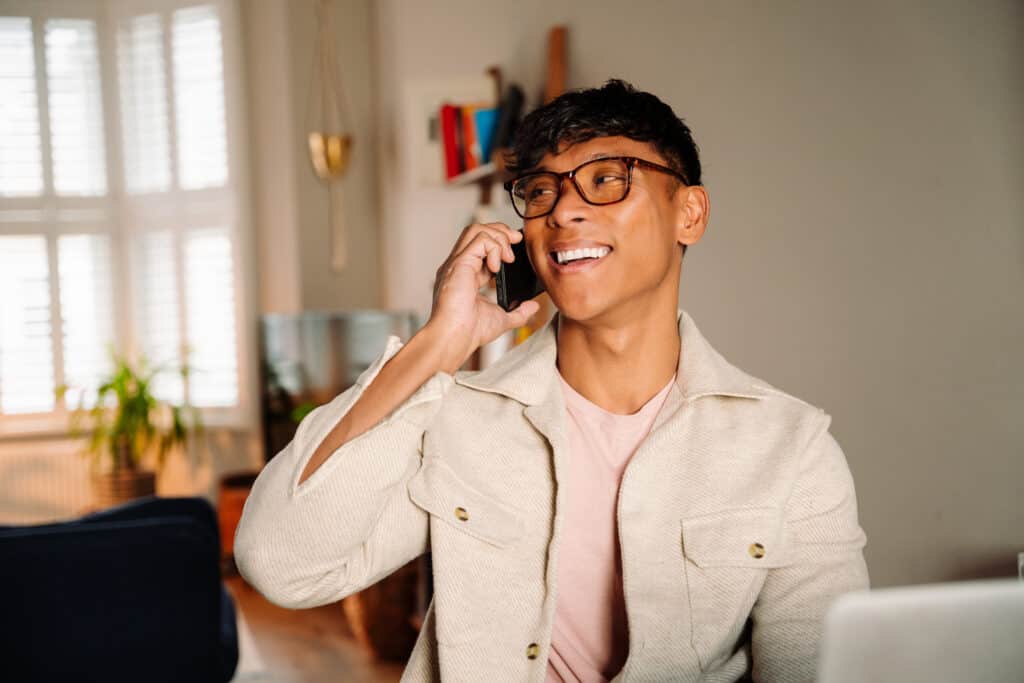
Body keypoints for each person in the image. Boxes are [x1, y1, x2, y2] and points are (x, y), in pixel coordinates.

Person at [235, 79, 869, 682]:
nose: (563, 210)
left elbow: (815, 667)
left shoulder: (792, 450)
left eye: (604, 181)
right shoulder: (458, 420)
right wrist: (438, 343)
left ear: (690, 213)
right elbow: (284, 567)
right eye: (540, 192)